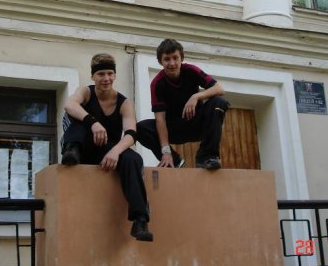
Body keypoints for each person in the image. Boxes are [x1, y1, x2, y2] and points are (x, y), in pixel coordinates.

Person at [60, 53, 153, 242]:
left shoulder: (124, 103)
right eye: (101, 74)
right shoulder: (86, 92)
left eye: (110, 73)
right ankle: (71, 150)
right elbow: (69, 105)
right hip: (82, 148)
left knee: (134, 159)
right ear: (93, 76)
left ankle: (140, 220)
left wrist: (115, 151)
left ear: (115, 75)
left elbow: (131, 134)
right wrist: (93, 122)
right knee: (77, 116)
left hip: (107, 152)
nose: (106, 78)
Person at [137, 39, 229, 170]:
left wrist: (196, 96)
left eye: (175, 58)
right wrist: (166, 151)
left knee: (219, 102)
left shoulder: (191, 70)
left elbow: (219, 89)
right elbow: (160, 120)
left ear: (182, 58)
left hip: (197, 123)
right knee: (140, 128)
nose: (172, 63)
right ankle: (174, 161)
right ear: (160, 61)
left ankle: (207, 157)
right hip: (174, 128)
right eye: (167, 59)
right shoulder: (157, 84)